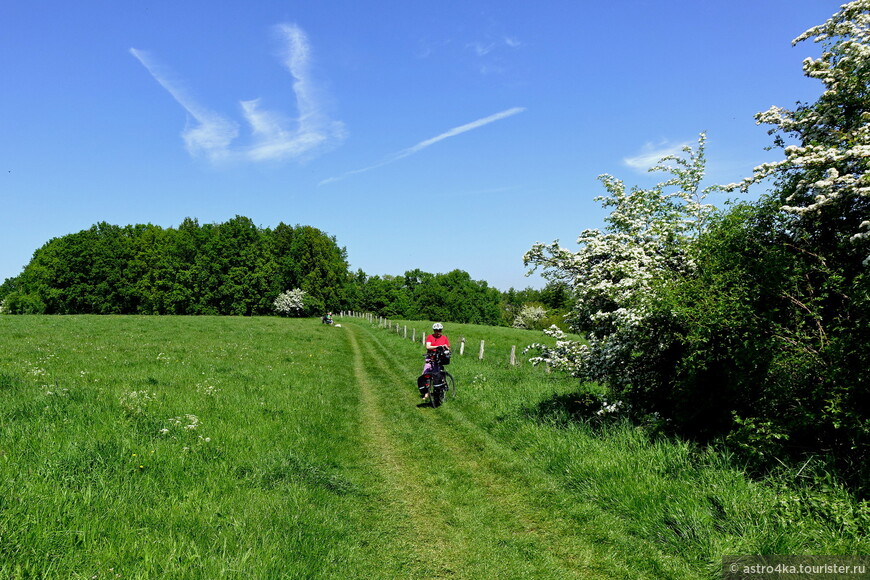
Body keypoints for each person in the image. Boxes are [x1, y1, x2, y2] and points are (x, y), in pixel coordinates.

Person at [419, 323, 450, 399]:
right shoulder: (430, 337)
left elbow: (448, 348)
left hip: (439, 359)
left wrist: (446, 347)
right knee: (426, 374)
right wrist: (438, 346)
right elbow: (428, 346)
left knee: (437, 375)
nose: (438, 332)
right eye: (436, 330)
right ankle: (426, 393)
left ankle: (438, 392)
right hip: (430, 357)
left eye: (439, 330)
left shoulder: (444, 338)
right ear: (434, 330)